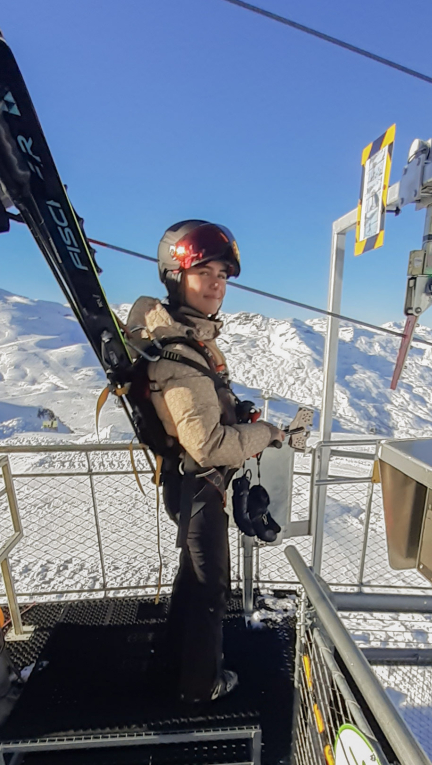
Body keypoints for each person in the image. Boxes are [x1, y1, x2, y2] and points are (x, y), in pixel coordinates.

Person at [126, 220, 285, 703]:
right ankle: (200, 686)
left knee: (194, 579)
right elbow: (210, 446)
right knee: (211, 587)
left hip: (191, 486)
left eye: (223, 274)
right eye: (204, 272)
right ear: (177, 275)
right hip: (199, 485)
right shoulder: (179, 354)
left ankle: (173, 657)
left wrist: (236, 415)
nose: (217, 283)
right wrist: (267, 433)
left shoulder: (186, 339)